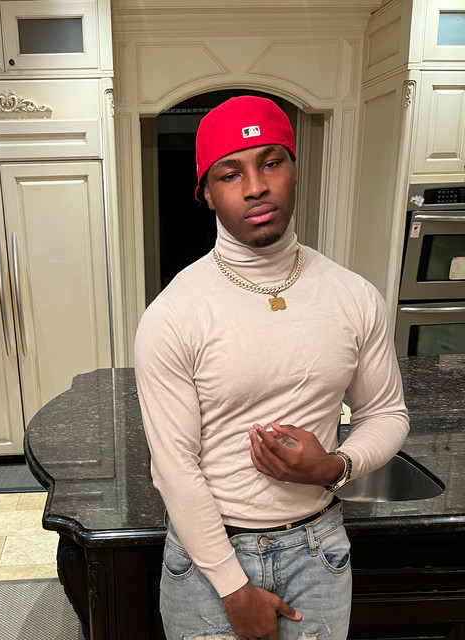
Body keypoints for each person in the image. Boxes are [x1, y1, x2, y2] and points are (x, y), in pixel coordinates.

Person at [134, 96, 409, 640]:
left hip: (319, 550)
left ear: (293, 168)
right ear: (206, 193)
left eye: (271, 163)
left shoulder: (353, 296)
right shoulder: (174, 314)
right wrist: (234, 589)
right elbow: (173, 467)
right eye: (230, 173)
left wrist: (335, 466)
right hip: (208, 561)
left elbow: (386, 413)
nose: (256, 186)